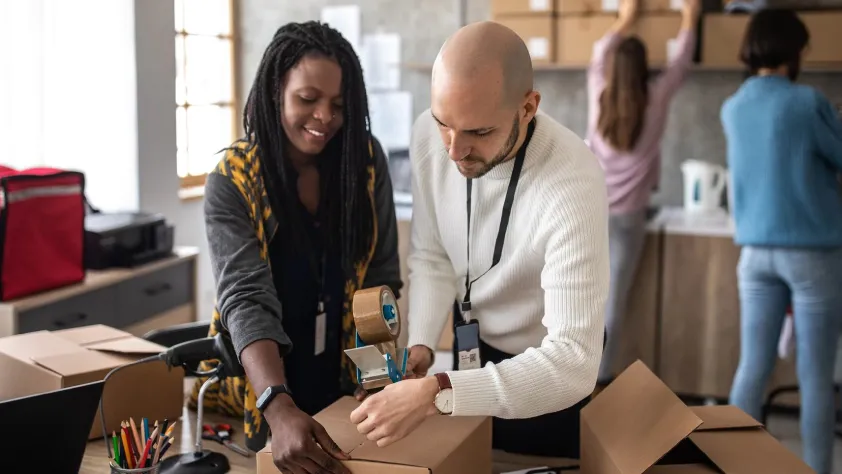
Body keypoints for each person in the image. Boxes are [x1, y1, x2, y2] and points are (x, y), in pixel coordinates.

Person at [349, 21, 610, 458]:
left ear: (528, 108)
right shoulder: (428, 138)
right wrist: (422, 346)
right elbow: (432, 257)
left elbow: (573, 362)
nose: (454, 151)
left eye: (479, 132)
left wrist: (438, 393)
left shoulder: (572, 180)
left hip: (544, 368)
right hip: (474, 350)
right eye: (443, 125)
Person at [189, 21, 402, 474]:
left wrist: (378, 376)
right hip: (262, 389)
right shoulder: (233, 181)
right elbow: (246, 299)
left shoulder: (362, 162)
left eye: (339, 105)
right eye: (308, 99)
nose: (324, 116)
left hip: (342, 384)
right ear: (274, 91)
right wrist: (276, 404)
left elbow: (380, 278)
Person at [722, 10, 842, 474]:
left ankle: (726, 463)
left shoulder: (732, 106)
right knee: (814, 377)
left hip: (754, 255)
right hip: (812, 253)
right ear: (794, 51)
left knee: (751, 368)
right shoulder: (807, 102)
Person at [586, 0, 699, 385]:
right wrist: (689, 16)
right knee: (614, 299)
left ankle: (572, 373)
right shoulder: (656, 99)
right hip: (629, 218)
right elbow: (681, 63)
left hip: (591, 209)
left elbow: (599, 54)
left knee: (583, 296)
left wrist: (626, 18)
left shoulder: (598, 90)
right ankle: (599, 377)